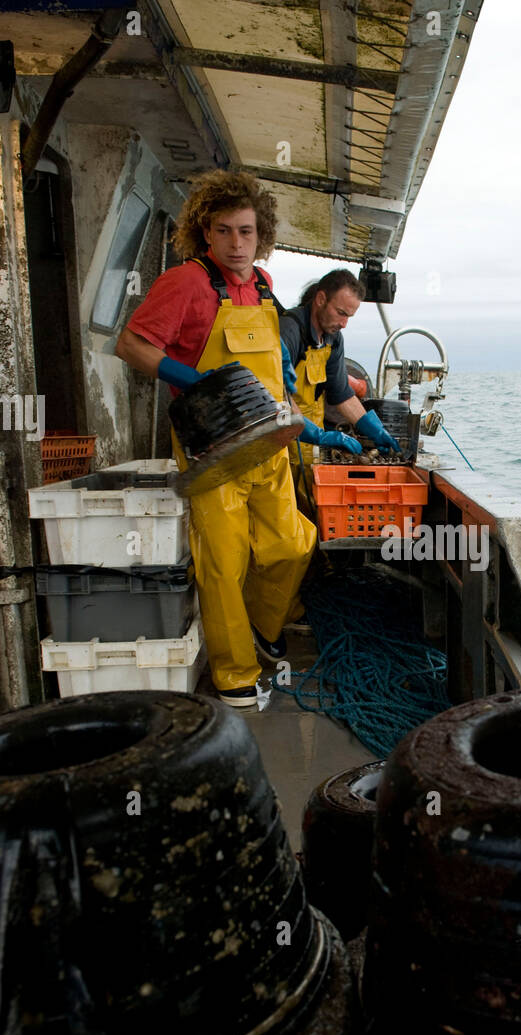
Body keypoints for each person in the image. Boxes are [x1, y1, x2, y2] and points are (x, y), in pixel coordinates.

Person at [115, 169, 321, 710]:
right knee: (223, 562)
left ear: (262, 235)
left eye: (247, 232)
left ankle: (261, 623)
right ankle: (234, 674)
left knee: (293, 541)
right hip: (212, 447)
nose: (236, 243)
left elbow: (271, 353)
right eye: (225, 231)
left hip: (268, 438)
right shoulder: (185, 281)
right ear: (205, 232)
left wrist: (288, 387)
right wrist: (189, 378)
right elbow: (130, 344)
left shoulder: (262, 286)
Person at [280, 271, 400, 513]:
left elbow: (342, 394)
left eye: (350, 317)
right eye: (341, 313)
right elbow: (279, 395)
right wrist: (318, 435)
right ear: (321, 299)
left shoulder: (333, 339)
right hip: (281, 440)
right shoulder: (290, 330)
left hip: (308, 445)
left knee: (313, 515)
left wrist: (373, 429)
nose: (344, 323)